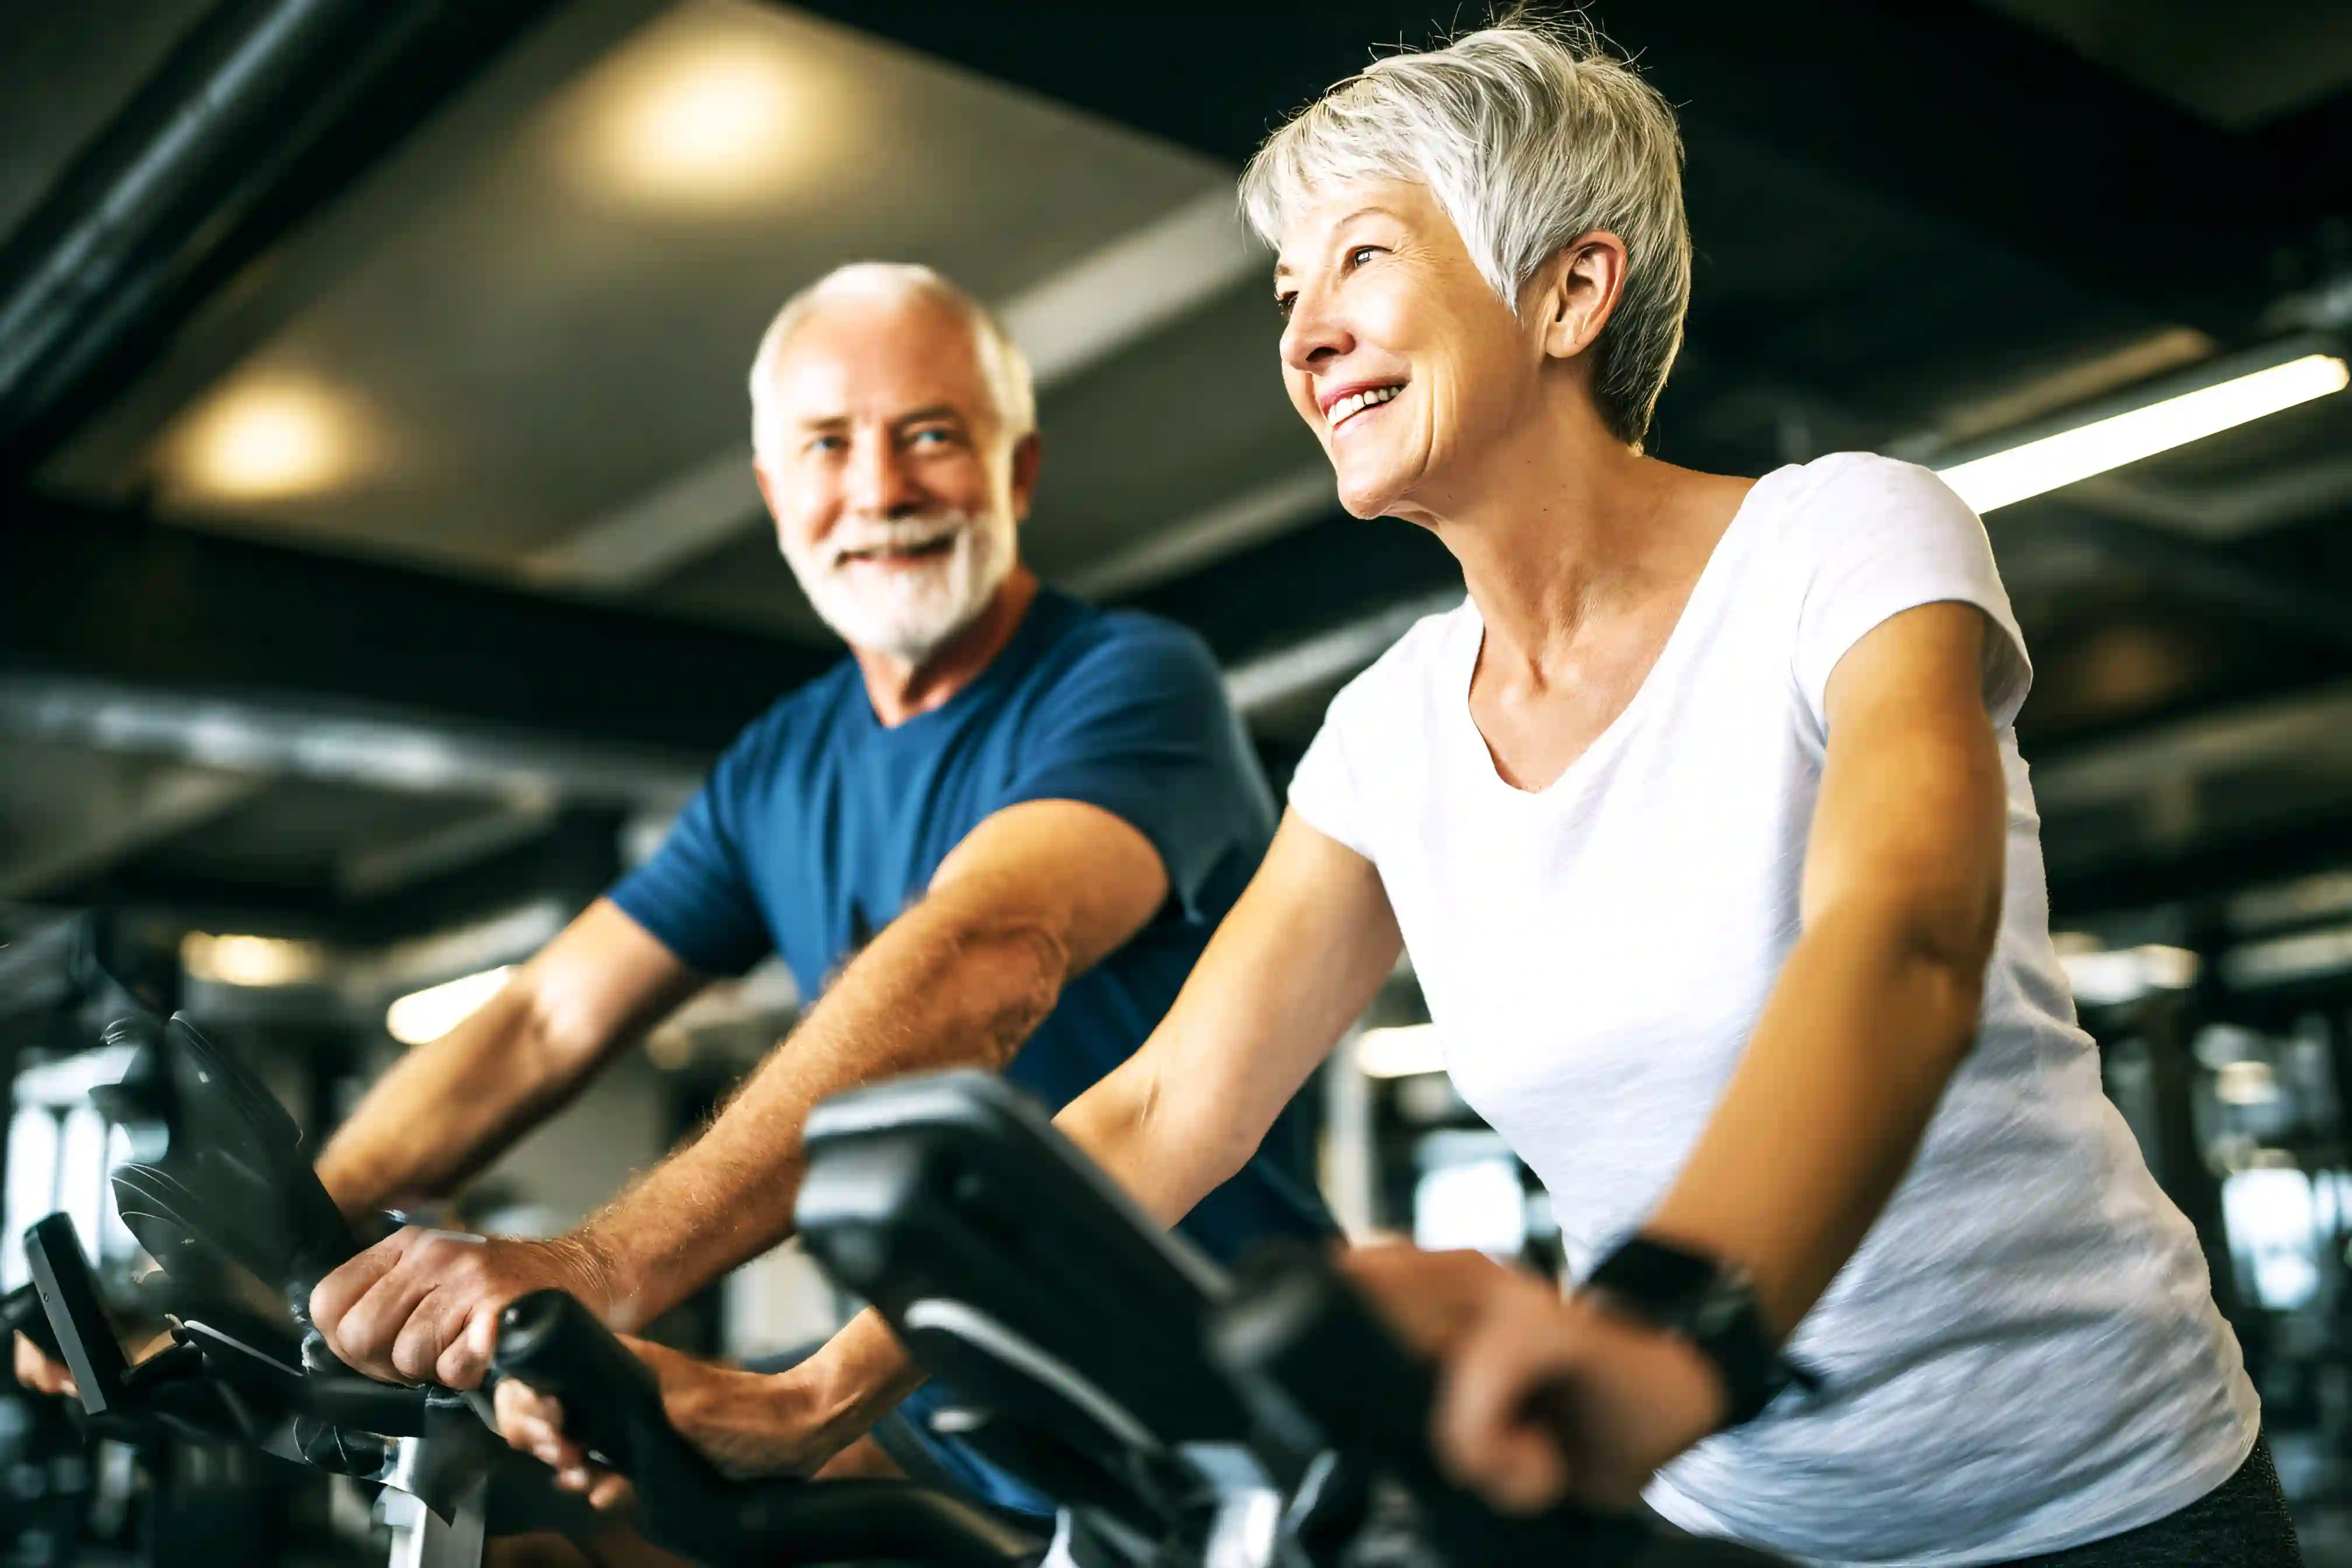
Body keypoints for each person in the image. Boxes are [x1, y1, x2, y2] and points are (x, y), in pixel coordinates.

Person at [501, 18, 2297, 1567]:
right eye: (1288, 294)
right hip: (1720, 1518)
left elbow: (1903, 935)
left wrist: (1666, 1339)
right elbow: (1161, 1112)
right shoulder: (1387, 731)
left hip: (2103, 1496)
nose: (1302, 336)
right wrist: (819, 1394)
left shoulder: (1842, 538)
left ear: (1571, 291)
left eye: (1360, 259)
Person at [17, 262, 1334, 1513]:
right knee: (554, 1532)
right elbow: (545, 1022)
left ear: (1018, 468)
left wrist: (596, 1264)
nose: (878, 489)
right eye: (827, 444)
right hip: (952, 1399)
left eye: (931, 435)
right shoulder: (783, 764)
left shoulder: (1126, 680)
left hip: (1220, 1399)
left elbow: (989, 954)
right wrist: (253, 1266)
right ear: (773, 487)